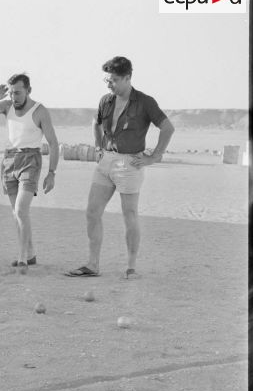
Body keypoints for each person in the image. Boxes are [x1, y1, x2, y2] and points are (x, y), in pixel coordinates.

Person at [66, 56, 175, 279]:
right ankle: (92, 265)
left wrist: (154, 156)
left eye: (114, 80)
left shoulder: (145, 102)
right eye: (107, 80)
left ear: (127, 77)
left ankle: (131, 268)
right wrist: (98, 147)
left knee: (130, 214)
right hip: (106, 161)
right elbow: (95, 123)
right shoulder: (106, 100)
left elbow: (168, 128)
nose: (109, 84)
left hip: (130, 164)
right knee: (92, 212)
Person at [0, 73, 59, 273]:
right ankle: (30, 253)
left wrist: (51, 172)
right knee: (17, 213)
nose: (14, 97)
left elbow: (53, 143)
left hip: (31, 160)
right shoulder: (6, 106)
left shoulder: (39, 111)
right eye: (11, 93)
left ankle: (22, 258)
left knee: (21, 209)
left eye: (18, 93)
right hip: (9, 160)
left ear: (29, 90)